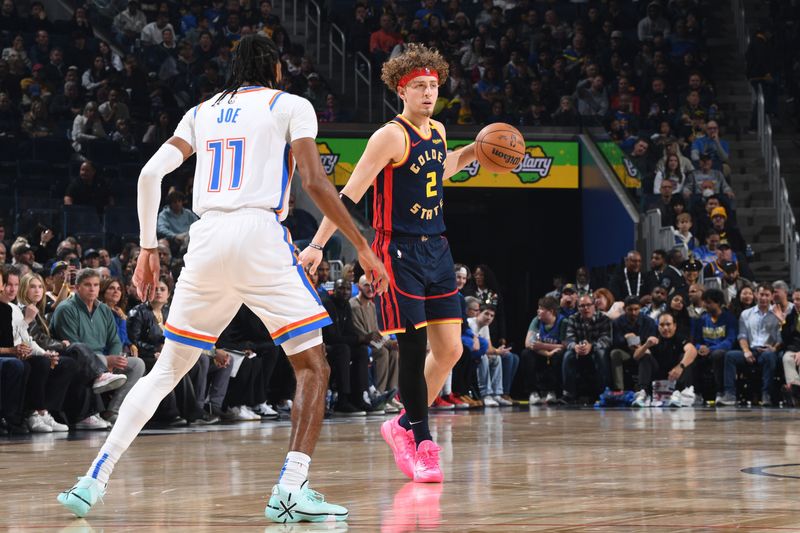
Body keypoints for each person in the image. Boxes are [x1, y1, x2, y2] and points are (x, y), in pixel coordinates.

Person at [57, 34, 388, 523]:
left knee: (168, 369)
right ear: (275, 70)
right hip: (258, 233)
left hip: (206, 237)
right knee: (313, 365)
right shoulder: (289, 104)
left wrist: (149, 246)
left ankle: (92, 479)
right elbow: (316, 182)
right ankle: (291, 488)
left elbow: (150, 175)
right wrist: (362, 247)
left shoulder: (200, 111)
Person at [299, 43, 478, 484]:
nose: (428, 93)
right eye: (419, 86)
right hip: (396, 252)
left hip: (437, 248)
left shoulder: (436, 130)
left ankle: (400, 422)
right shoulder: (389, 135)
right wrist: (319, 245)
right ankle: (422, 442)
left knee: (451, 349)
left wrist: (476, 150)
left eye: (433, 86)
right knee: (414, 350)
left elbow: (442, 167)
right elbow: (349, 194)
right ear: (402, 90)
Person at [718, 284, 780, 407]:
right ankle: (730, 394)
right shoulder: (746, 314)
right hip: (751, 350)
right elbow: (742, 336)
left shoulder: (777, 314)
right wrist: (746, 351)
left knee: (770, 356)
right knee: (730, 356)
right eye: (761, 294)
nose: (763, 298)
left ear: (772, 297)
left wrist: (774, 348)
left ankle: (766, 394)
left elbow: (781, 338)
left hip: (767, 350)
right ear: (756, 295)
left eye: (767, 295)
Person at [322, 278, 375, 416]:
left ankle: (358, 397)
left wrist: (360, 340)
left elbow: (350, 331)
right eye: (341, 288)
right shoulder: (328, 304)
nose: (345, 292)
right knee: (344, 350)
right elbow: (331, 337)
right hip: (326, 346)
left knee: (361, 351)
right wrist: (358, 338)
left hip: (341, 344)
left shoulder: (346, 305)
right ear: (334, 290)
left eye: (347, 289)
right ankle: (342, 400)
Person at [350, 274, 400, 405]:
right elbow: (364, 334)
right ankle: (379, 393)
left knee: (395, 352)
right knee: (383, 352)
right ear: (358, 287)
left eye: (372, 285)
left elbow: (379, 332)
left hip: (375, 343)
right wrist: (386, 343)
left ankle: (391, 393)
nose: (370, 288)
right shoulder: (353, 305)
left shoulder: (372, 306)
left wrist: (391, 343)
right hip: (362, 344)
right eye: (366, 285)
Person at [632, 312, 698, 407]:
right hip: (658, 377)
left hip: (676, 376)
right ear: (658, 326)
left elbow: (692, 350)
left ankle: (679, 393)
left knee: (686, 356)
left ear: (674, 326)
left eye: (668, 324)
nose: (665, 328)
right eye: (662, 325)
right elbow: (636, 356)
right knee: (645, 356)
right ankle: (643, 393)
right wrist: (646, 345)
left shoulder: (680, 337)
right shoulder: (654, 339)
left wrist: (680, 367)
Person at [562, 295, 612, 402]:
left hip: (596, 349)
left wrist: (592, 346)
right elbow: (569, 339)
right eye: (582, 306)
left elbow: (606, 339)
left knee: (601, 353)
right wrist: (575, 346)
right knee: (567, 355)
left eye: (589, 305)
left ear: (594, 306)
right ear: (578, 308)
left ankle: (603, 393)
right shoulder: (573, 319)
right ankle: (569, 394)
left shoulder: (603, 319)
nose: (586, 308)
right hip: (579, 350)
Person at [691, 288, 737, 403]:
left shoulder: (729, 318)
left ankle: (720, 392)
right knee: (691, 355)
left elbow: (730, 341)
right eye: (705, 302)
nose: (705, 305)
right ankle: (696, 393)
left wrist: (710, 349)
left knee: (718, 355)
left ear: (718, 303)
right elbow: (695, 341)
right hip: (704, 351)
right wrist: (699, 347)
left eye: (709, 302)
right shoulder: (701, 319)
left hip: (720, 351)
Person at [521, 296, 565, 405]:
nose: (538, 311)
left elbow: (564, 345)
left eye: (541, 309)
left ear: (551, 311)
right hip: (542, 353)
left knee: (558, 355)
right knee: (526, 354)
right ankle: (533, 392)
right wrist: (547, 352)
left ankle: (552, 392)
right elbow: (528, 343)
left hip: (555, 354)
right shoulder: (536, 320)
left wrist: (543, 346)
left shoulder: (563, 321)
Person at [609, 296, 657, 391]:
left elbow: (653, 340)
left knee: (646, 355)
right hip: (626, 353)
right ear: (624, 309)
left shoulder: (649, 322)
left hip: (644, 352)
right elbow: (615, 342)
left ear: (640, 308)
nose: (633, 313)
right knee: (615, 353)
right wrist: (625, 338)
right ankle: (619, 389)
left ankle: (642, 389)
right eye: (630, 310)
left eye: (636, 309)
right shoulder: (617, 322)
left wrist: (640, 345)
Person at [780, 289, 800, 401]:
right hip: (793, 348)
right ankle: (794, 388)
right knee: (787, 358)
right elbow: (787, 339)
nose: (796, 302)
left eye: (799, 299)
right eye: (794, 300)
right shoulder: (790, 316)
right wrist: (783, 322)